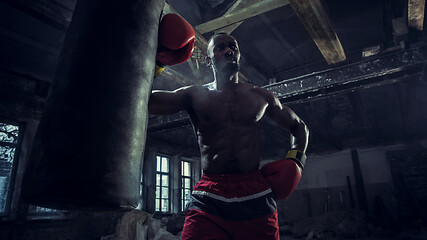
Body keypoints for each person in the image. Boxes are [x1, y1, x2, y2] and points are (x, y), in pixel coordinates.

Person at [148, 32, 309, 240]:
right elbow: (146, 102)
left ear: (239, 54)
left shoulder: (260, 96)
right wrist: (158, 63)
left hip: (254, 194)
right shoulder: (194, 95)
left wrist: (296, 162)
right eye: (220, 47)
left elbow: (299, 127)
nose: (228, 50)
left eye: (232, 46)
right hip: (209, 195)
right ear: (208, 60)